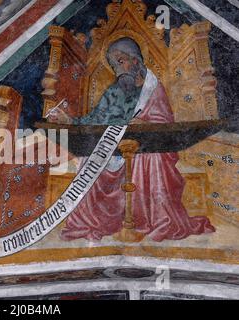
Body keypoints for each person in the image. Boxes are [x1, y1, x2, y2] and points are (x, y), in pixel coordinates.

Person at [49, 37, 215, 242]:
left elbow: (164, 121)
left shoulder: (153, 88)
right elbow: (93, 120)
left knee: (152, 159)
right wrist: (68, 120)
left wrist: (144, 121)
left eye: (120, 62)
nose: (117, 69)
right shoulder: (112, 92)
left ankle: (151, 220)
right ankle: (93, 222)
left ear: (135, 60)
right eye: (113, 65)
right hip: (111, 148)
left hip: (142, 147)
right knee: (87, 161)